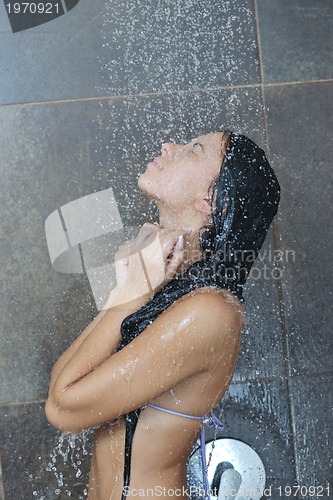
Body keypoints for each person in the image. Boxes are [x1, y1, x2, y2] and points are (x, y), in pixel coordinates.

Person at [45, 130, 280, 500]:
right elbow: (61, 383)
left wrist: (126, 296)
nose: (169, 147)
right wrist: (128, 290)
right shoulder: (166, 286)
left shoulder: (211, 311)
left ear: (211, 200)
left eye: (193, 150)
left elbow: (63, 409)